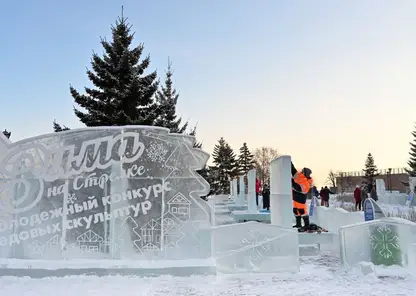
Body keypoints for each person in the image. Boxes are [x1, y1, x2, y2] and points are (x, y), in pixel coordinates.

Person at [291, 161, 313, 230]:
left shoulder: (307, 183)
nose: (302, 171)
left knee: (302, 211)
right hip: (295, 197)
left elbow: (298, 188)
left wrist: (292, 182)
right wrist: (290, 163)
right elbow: (293, 170)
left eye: (303, 171)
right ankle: (298, 224)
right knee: (295, 211)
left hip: (300, 199)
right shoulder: (299, 175)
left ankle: (307, 225)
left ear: (306, 173)